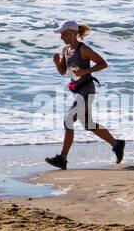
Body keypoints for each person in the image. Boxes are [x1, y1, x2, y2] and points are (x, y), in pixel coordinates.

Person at [45, 20, 124, 169]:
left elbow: (103, 64)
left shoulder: (84, 49)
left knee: (68, 119)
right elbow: (63, 71)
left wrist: (84, 71)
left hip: (87, 90)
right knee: (88, 124)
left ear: (73, 33)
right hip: (77, 91)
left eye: (64, 33)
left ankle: (62, 158)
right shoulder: (65, 50)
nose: (61, 37)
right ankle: (117, 144)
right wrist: (56, 63)